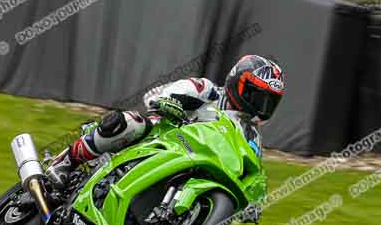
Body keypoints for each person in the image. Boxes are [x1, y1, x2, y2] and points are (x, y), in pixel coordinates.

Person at [46, 55, 285, 187]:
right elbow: (159, 95)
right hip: (160, 141)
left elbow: (253, 171)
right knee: (129, 122)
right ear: (237, 82)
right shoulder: (208, 92)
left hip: (194, 168)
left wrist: (254, 197)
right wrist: (168, 102)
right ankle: (66, 161)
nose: (260, 106)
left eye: (268, 102)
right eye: (257, 96)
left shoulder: (251, 135)